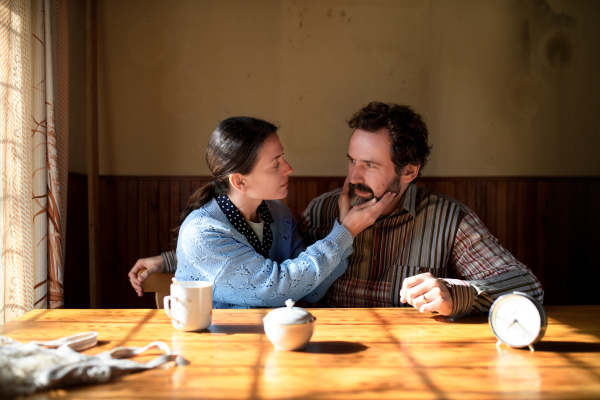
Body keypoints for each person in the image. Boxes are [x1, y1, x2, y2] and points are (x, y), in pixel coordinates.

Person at [131, 103, 543, 319]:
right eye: (351, 160)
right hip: (304, 352)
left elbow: (528, 287)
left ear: (410, 171)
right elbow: (271, 271)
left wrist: (459, 294)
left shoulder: (449, 220)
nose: (353, 176)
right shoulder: (326, 208)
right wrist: (173, 258)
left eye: (370, 165)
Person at [129, 116, 395, 309]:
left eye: (283, 157)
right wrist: (345, 232)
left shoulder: (279, 216)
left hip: (273, 348)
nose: (288, 168)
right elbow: (275, 288)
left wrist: (344, 228)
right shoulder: (202, 232)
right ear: (240, 182)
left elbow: (312, 290)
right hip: (214, 354)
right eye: (275, 164)